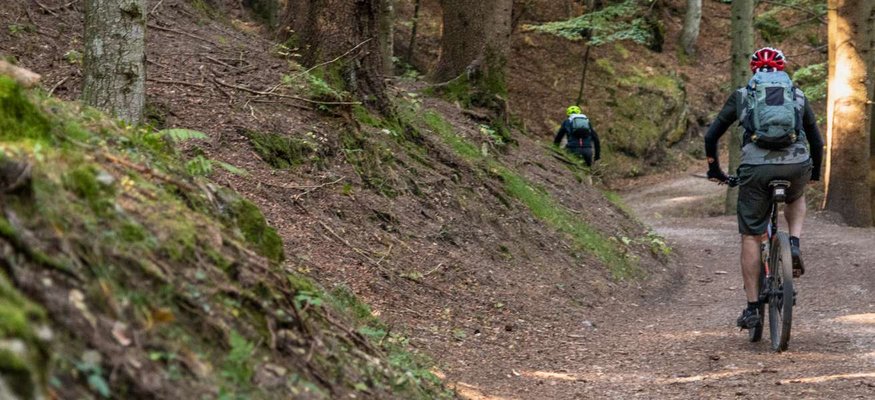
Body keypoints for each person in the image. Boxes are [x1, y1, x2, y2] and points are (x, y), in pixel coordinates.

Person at [704, 47, 824, 330]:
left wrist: (714, 170)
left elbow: (711, 136)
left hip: (756, 169)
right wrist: (814, 174)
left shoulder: (743, 95)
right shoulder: (797, 94)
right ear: (782, 70)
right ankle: (793, 243)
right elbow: (816, 142)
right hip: (796, 164)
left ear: (753, 71)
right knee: (796, 195)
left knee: (750, 235)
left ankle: (752, 309)